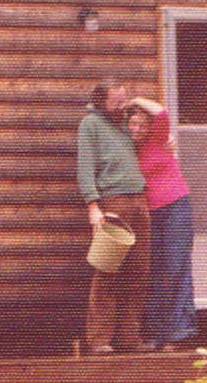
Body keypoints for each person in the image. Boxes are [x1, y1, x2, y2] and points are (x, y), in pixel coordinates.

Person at [76, 79, 152, 354]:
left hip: (139, 200)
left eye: (124, 101)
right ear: (100, 102)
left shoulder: (126, 124)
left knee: (138, 270)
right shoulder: (90, 125)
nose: (122, 106)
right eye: (116, 102)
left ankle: (129, 338)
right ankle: (99, 340)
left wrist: (133, 104)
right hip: (112, 203)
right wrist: (93, 207)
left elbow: (159, 116)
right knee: (108, 269)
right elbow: (85, 168)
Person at [126, 96, 198, 351]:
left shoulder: (159, 138)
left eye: (142, 125)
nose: (137, 129)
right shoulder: (127, 148)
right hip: (149, 214)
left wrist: (132, 100)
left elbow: (161, 112)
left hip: (176, 207)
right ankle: (155, 334)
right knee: (153, 271)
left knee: (177, 267)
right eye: (132, 124)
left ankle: (179, 333)